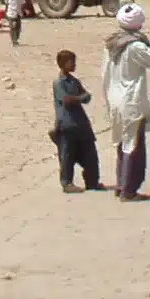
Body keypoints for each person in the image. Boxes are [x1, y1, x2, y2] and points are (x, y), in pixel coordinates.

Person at [100, 4, 150, 201]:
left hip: (114, 100)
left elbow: (104, 75)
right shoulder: (135, 47)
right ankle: (129, 190)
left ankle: (121, 184)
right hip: (130, 101)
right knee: (133, 145)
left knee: (122, 142)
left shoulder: (111, 45)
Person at [53, 49, 101, 193]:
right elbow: (67, 100)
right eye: (71, 62)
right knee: (67, 155)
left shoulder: (74, 81)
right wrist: (80, 98)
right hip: (67, 124)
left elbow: (86, 96)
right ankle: (67, 183)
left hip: (80, 123)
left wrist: (80, 97)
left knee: (90, 154)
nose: (74, 64)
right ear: (62, 64)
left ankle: (92, 182)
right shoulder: (59, 83)